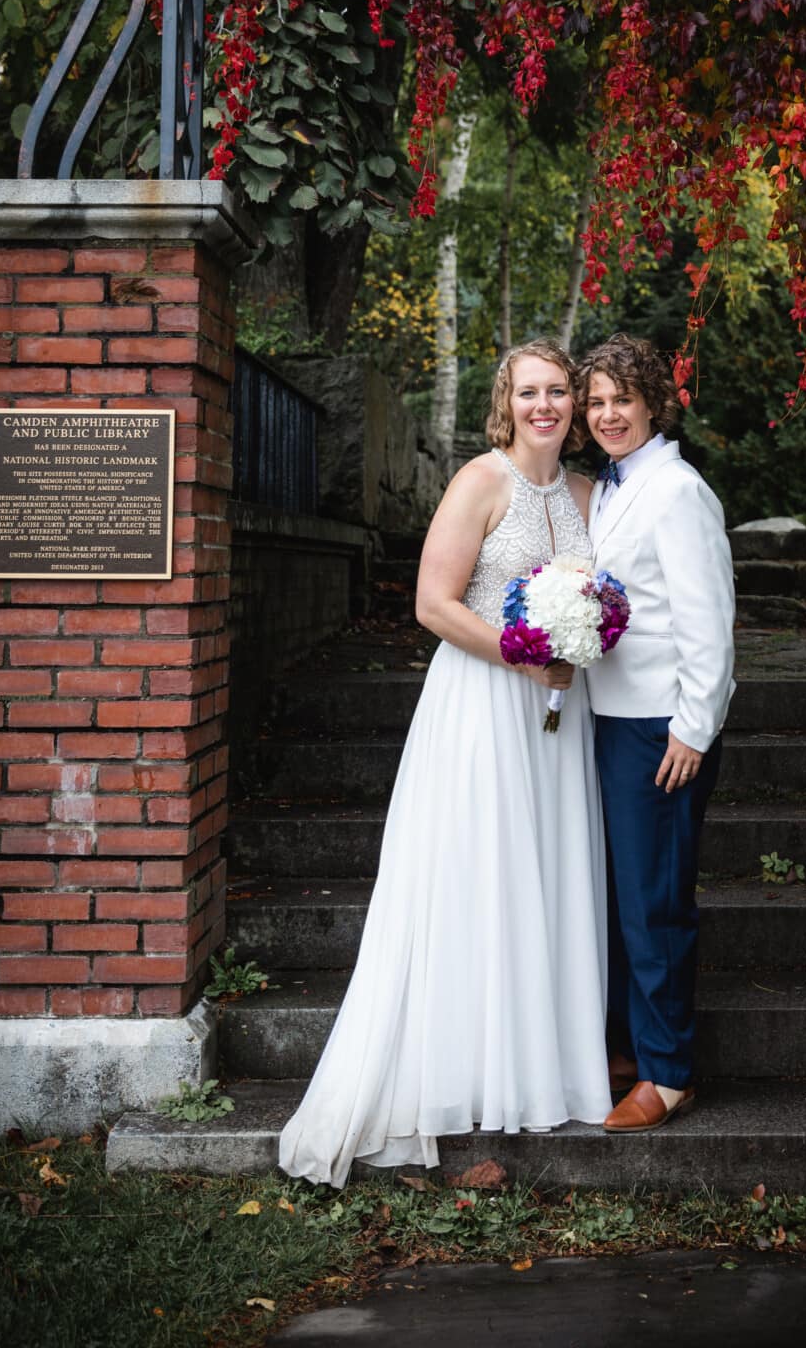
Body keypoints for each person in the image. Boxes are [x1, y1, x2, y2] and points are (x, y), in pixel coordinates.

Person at [279, 339, 611, 1186]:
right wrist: (521, 648)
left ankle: (544, 1064)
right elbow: (431, 603)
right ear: (507, 400)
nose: (546, 405)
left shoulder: (584, 492)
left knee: (545, 873)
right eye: (529, 391)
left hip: (558, 716)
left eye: (559, 392)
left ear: (575, 403)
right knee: (475, 876)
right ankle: (461, 1070)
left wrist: (583, 639)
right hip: (479, 706)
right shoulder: (479, 481)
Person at [579, 332, 735, 1132]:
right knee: (616, 899)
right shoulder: (609, 487)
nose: (608, 414)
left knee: (656, 904)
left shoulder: (677, 491)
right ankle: (629, 1047)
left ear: (653, 404)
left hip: (661, 732)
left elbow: (710, 624)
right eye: (597, 401)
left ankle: (669, 1074)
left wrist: (694, 730)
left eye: (622, 401)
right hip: (606, 720)